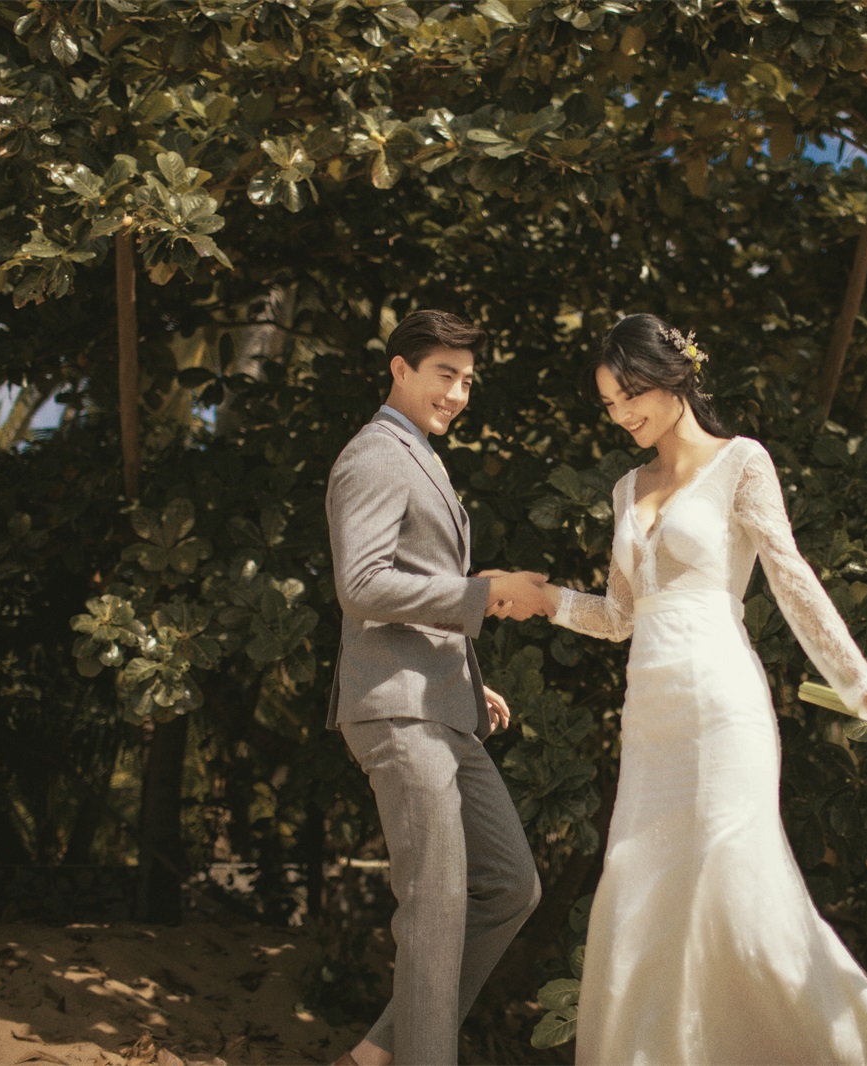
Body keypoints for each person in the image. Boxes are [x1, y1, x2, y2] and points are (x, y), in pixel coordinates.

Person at [525, 314, 867, 1064]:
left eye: (630, 394)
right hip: (649, 719)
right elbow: (622, 616)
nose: (621, 414)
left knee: (741, 890)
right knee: (642, 895)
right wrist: (544, 601)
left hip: (723, 703)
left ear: (674, 378)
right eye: (609, 403)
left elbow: (791, 579)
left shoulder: (741, 461)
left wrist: (863, 684)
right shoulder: (627, 488)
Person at [325, 309, 546, 1066]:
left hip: (442, 704)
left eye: (467, 381)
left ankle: (377, 1053)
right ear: (400, 368)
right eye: (444, 375)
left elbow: (417, 583)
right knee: (436, 908)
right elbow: (361, 586)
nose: (457, 394)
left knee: (510, 886)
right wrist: (484, 593)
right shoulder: (376, 455)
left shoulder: (421, 454)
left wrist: (465, 681)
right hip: (398, 710)